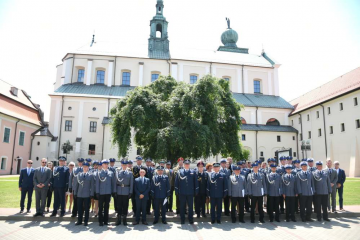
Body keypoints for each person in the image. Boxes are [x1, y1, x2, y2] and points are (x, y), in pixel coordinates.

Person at [175, 159, 199, 224]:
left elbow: (195, 182)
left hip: (190, 192)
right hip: (182, 192)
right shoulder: (180, 172)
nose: (187, 165)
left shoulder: (193, 172)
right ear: (184, 164)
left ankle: (190, 219)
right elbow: (177, 182)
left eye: (188, 164)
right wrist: (176, 190)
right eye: (186, 164)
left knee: (190, 206)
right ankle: (182, 219)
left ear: (189, 165)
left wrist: (196, 190)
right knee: (182, 206)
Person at [95, 159, 116, 226]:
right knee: (100, 207)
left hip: (108, 192)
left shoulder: (111, 173)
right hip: (101, 193)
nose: (106, 165)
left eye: (107, 164)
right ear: (102, 165)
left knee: (107, 207)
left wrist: (113, 191)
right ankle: (100, 221)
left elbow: (113, 183)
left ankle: (106, 220)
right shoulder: (99, 173)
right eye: (105, 164)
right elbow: (97, 184)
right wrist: (97, 192)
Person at [74, 161, 94, 226]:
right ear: (82, 167)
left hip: (87, 195)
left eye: (86, 167)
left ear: (88, 168)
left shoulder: (91, 175)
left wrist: (91, 194)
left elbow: (92, 186)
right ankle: (79, 220)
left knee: (86, 208)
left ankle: (86, 221)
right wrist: (75, 193)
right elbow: (76, 185)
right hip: (79, 194)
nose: (85, 168)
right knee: (79, 208)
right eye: (84, 167)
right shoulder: (79, 175)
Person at [114, 160, 133, 226]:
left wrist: (130, 192)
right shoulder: (118, 173)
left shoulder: (130, 173)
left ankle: (124, 220)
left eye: (125, 165)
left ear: (127, 165)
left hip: (126, 191)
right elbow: (115, 183)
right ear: (121, 165)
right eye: (123, 165)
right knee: (119, 206)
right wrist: (115, 191)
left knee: (125, 206)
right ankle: (118, 220)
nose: (124, 166)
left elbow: (131, 183)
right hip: (119, 191)